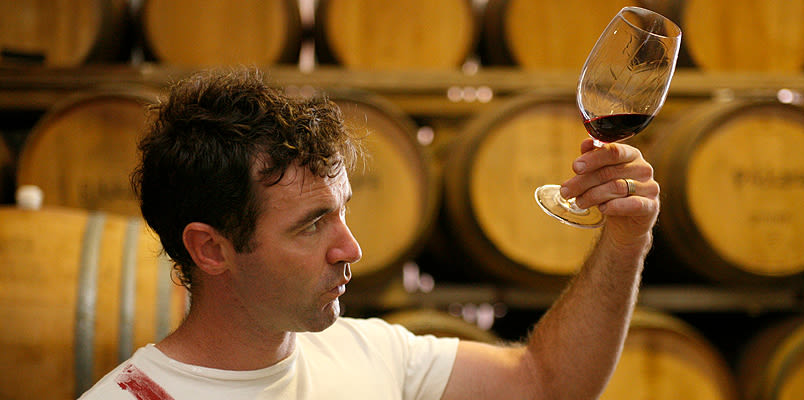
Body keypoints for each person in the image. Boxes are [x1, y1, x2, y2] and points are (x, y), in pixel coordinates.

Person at [79, 68, 660, 400]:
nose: (351, 248)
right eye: (310, 226)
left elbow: (548, 382)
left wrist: (626, 239)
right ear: (211, 249)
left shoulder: (367, 351)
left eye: (342, 211)